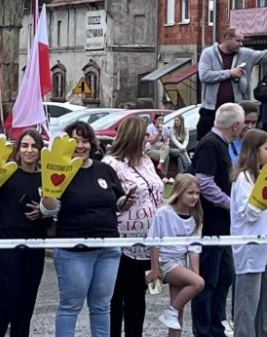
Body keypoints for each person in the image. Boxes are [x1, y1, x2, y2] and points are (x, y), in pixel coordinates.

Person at [41, 123, 135, 337]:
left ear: (92, 144)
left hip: (108, 249)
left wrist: (125, 202)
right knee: (70, 306)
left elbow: (117, 202)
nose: (80, 146)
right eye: (75, 141)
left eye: (85, 141)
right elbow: (50, 210)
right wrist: (48, 195)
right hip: (74, 251)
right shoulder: (59, 170)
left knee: (102, 306)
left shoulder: (105, 169)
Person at [0, 129, 49, 337]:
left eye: (34, 146)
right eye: (25, 146)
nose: (29, 150)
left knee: (27, 302)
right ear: (18, 150)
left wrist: (45, 210)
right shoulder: (7, 174)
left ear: (40, 150)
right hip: (8, 245)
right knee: (7, 300)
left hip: (36, 246)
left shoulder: (45, 177)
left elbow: (53, 213)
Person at [103, 117, 165, 337]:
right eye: (145, 135)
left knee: (138, 297)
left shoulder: (146, 160)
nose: (149, 138)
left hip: (148, 242)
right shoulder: (111, 164)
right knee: (117, 297)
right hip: (122, 242)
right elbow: (108, 199)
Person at [190, 103, 245, 337]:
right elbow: (204, 182)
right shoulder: (210, 144)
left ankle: (216, 327)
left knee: (224, 277)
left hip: (223, 227)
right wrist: (231, 204)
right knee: (208, 281)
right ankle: (204, 330)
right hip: (211, 225)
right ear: (236, 125)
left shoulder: (221, 144)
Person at [230, 129, 267, 337]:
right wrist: (266, 197)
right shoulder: (243, 178)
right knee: (248, 301)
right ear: (254, 150)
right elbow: (247, 213)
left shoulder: (266, 175)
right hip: (251, 248)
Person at [197, 28, 267, 139]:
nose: (241, 44)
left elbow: (264, 55)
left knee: (237, 142)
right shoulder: (209, 53)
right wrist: (229, 73)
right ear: (227, 39)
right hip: (211, 110)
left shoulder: (245, 54)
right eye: (238, 41)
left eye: (242, 41)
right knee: (206, 140)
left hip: (237, 111)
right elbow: (204, 75)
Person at [146, 174, 204, 335]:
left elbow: (194, 247)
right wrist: (155, 268)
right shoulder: (163, 213)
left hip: (181, 263)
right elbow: (153, 241)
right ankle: (170, 311)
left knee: (178, 313)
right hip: (165, 262)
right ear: (179, 192)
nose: (194, 197)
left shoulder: (196, 216)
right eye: (190, 193)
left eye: (197, 193)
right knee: (199, 283)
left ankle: (172, 314)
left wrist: (194, 271)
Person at [228, 101, 260, 165]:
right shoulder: (224, 143)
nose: (250, 126)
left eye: (253, 123)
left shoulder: (258, 143)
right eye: (246, 122)